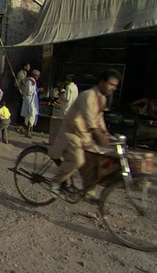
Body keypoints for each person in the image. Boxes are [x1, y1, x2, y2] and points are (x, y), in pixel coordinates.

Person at [48, 69, 121, 197]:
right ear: (102, 82)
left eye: (115, 86)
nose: (113, 88)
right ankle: (55, 181)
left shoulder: (102, 99)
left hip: (85, 135)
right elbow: (90, 119)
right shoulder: (88, 95)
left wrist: (107, 135)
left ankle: (89, 191)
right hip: (72, 133)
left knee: (98, 159)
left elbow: (99, 119)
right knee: (78, 160)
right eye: (111, 84)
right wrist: (99, 135)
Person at [21, 69, 42, 138]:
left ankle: (30, 131)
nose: (38, 77)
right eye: (37, 76)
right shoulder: (30, 82)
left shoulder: (33, 82)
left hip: (32, 100)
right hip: (30, 101)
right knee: (31, 115)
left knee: (32, 116)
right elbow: (29, 91)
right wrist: (37, 90)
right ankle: (28, 132)